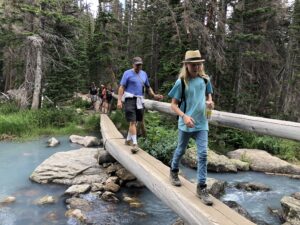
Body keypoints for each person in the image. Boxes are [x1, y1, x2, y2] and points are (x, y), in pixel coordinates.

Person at [168, 50, 214, 206]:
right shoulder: (181, 82)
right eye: (193, 65)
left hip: (202, 124)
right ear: (186, 65)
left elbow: (209, 97)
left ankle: (201, 187)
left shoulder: (205, 80)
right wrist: (184, 116)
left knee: (203, 154)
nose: (196, 67)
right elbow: (173, 105)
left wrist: (210, 104)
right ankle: (174, 171)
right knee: (181, 150)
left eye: (198, 64)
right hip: (186, 123)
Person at [117, 56, 163, 154]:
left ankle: (128, 140)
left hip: (139, 100)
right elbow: (122, 87)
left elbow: (148, 87)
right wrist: (119, 101)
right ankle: (135, 144)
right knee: (133, 121)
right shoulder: (127, 73)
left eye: (140, 65)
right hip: (129, 99)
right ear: (133, 65)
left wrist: (154, 96)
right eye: (137, 65)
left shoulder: (144, 74)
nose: (139, 67)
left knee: (135, 121)